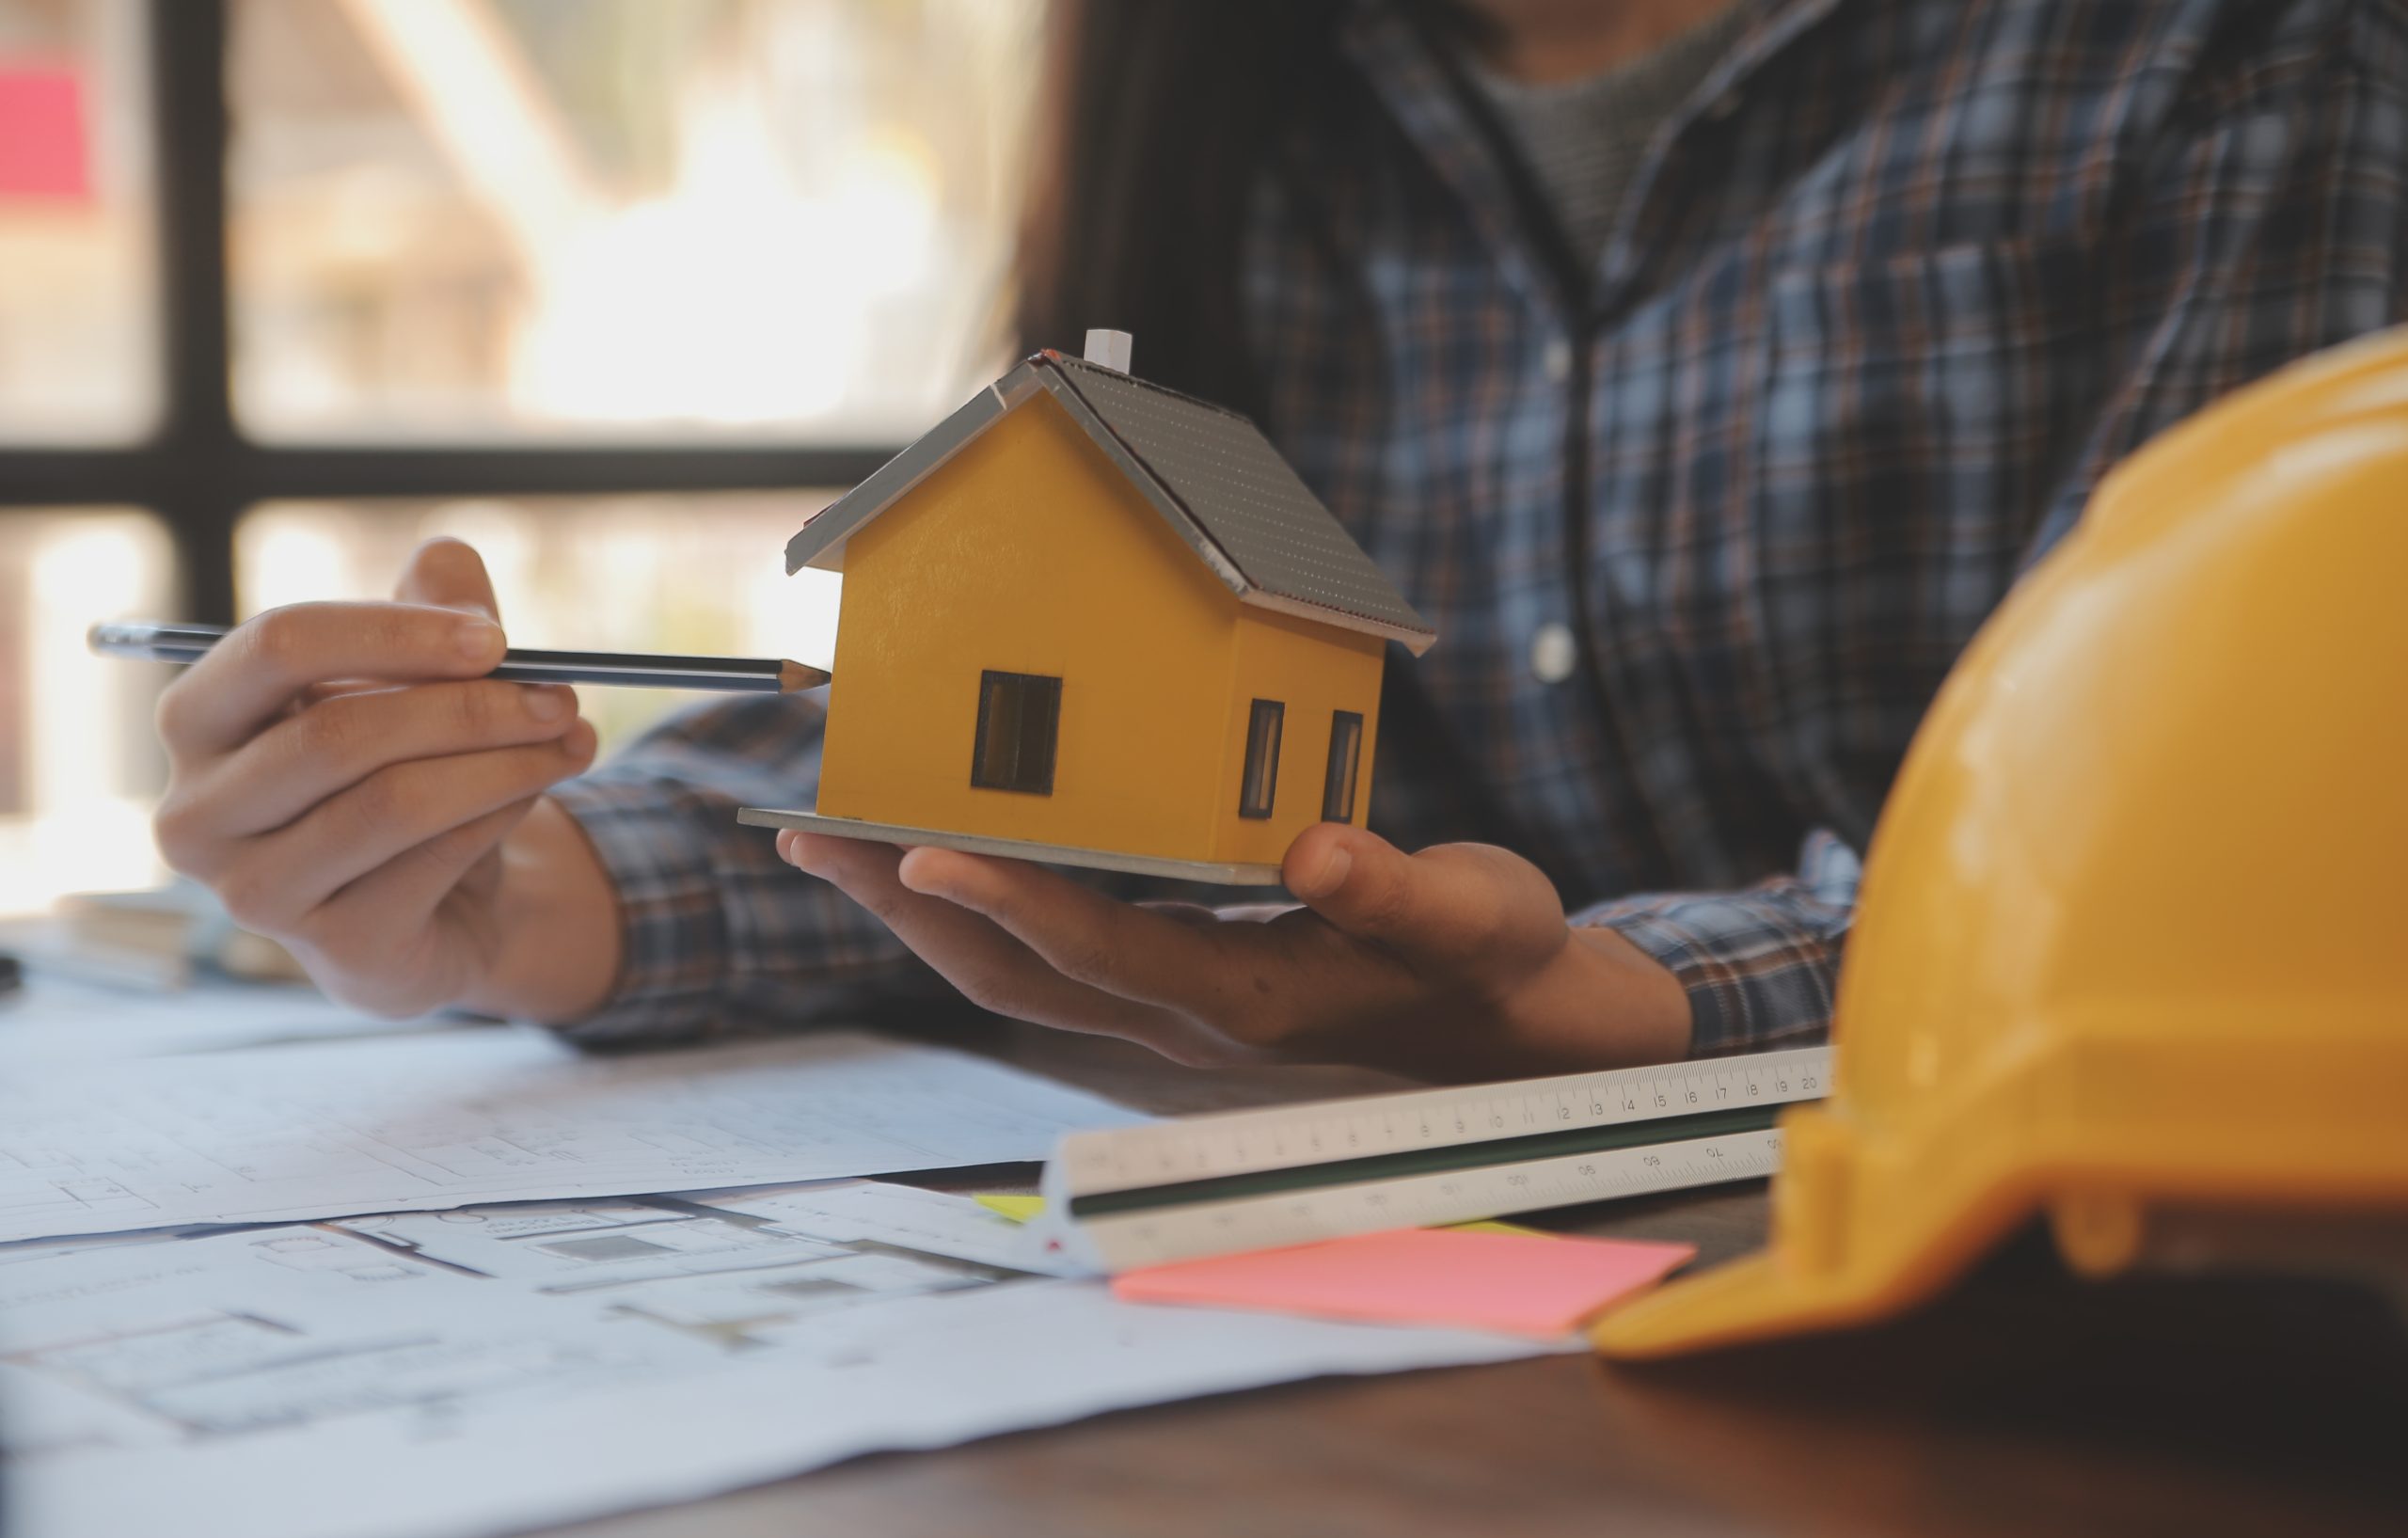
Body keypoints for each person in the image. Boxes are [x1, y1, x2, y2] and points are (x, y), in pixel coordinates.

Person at [150, 0, 2408, 1073]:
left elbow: (2195, 871)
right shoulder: (1232, 86)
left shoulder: (2235, 59)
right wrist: (494, 893)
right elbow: (1020, 749)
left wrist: (1612, 996)